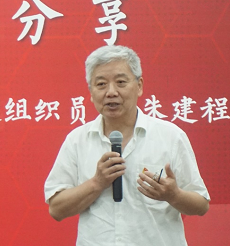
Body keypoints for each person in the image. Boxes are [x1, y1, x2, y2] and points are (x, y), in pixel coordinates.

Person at [44, 45, 209, 245]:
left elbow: (201, 204)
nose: (111, 92)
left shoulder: (170, 136)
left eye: (121, 82)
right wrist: (96, 183)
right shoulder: (77, 140)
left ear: (139, 86)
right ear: (91, 92)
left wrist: (174, 195)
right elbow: (56, 209)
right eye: (101, 84)